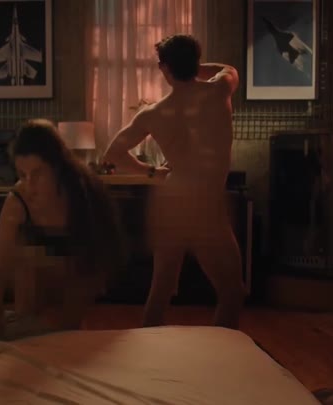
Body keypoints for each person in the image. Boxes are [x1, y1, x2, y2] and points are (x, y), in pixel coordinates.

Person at [102, 34, 247, 329]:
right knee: (233, 292)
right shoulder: (219, 90)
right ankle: (222, 352)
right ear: (195, 62)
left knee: (162, 290)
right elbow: (229, 68)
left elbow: (112, 154)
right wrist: (193, 66)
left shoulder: (154, 113)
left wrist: (151, 172)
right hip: (204, 205)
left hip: (172, 202)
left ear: (163, 67)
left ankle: (151, 353)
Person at [0, 118, 126, 339]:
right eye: (22, 175)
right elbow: (0, 265)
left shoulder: (82, 192)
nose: (30, 185)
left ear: (57, 168)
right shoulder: (18, 201)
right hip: (32, 277)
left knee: (65, 331)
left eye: (37, 174)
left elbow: (102, 253)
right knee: (27, 263)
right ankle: (27, 326)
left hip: (77, 266)